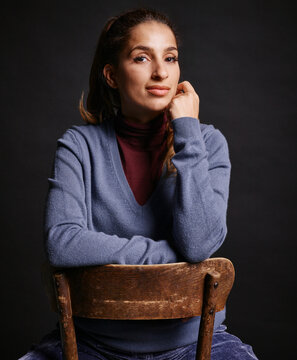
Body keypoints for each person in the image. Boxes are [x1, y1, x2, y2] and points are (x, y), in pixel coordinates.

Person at [19, 7, 258, 360]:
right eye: (142, 57)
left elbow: (197, 244)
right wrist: (168, 257)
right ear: (112, 75)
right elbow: (62, 242)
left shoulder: (207, 143)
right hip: (91, 344)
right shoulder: (78, 145)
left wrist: (187, 134)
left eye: (171, 57)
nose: (161, 72)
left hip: (194, 343)